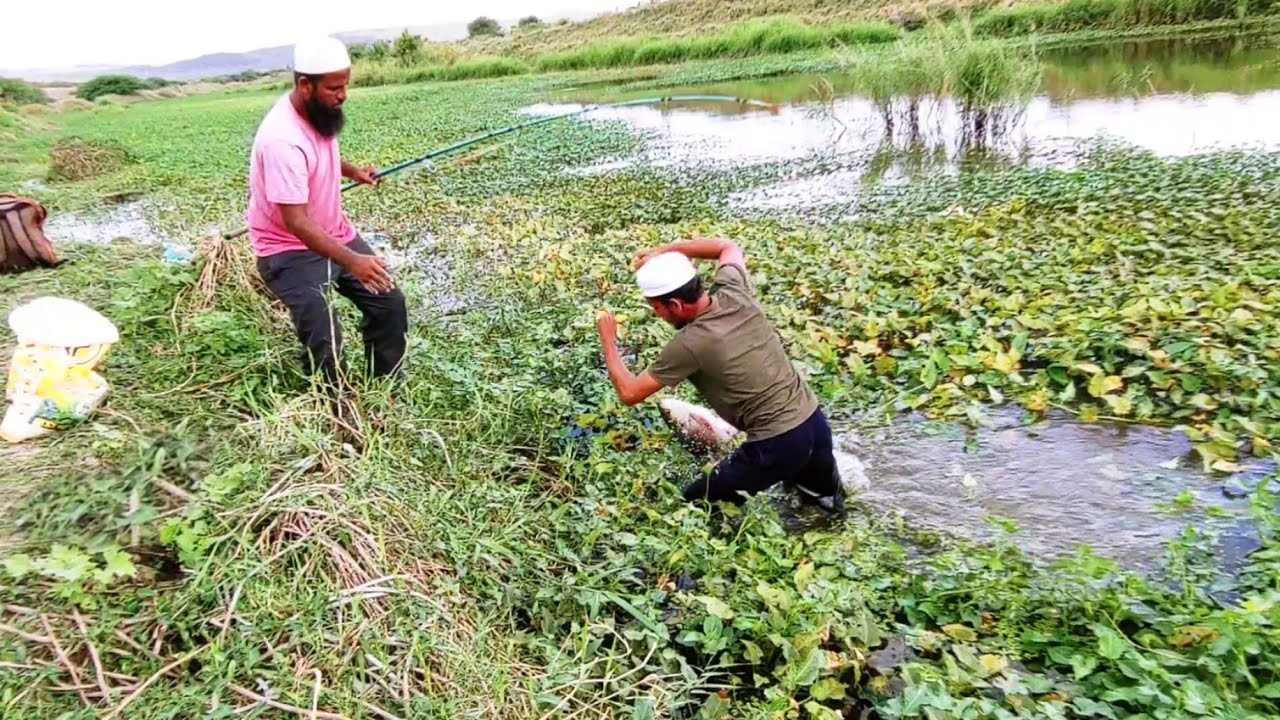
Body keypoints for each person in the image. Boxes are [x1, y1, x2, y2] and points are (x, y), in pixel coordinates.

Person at [596, 237, 844, 511]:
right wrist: (663, 253)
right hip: (814, 422)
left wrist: (608, 342)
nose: (658, 316)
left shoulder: (690, 343)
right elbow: (728, 247)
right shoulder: (733, 291)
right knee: (826, 505)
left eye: (657, 308)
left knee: (692, 507)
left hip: (777, 444)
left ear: (675, 305)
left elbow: (629, 393)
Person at [246, 36, 407, 387]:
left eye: (346, 84)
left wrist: (354, 172)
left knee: (389, 304)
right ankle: (337, 405)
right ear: (306, 85)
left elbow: (323, 154)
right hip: (288, 250)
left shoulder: (317, 112)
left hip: (334, 232)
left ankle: (386, 386)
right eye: (335, 88)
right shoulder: (281, 140)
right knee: (326, 341)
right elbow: (296, 222)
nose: (343, 95)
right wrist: (353, 261)